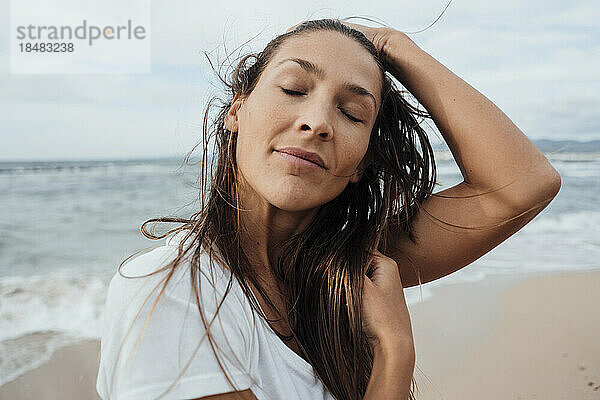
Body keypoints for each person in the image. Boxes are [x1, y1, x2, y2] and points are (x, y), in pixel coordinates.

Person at [96, 18, 561, 400]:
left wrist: (394, 45)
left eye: (353, 113)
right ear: (235, 112)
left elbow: (523, 184)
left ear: (361, 164)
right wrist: (395, 354)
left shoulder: (350, 272)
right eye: (294, 89)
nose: (317, 122)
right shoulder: (174, 291)